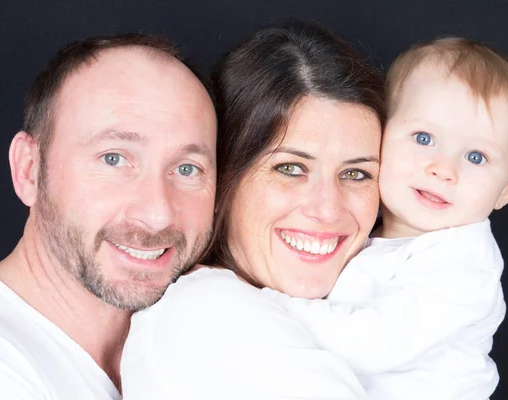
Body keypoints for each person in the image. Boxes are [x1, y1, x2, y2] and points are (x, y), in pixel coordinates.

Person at [262, 37, 508, 399]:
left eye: (476, 157)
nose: (442, 169)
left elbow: (370, 345)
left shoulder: (463, 267)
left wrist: (266, 303)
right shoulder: (364, 231)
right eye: (423, 138)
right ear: (378, 135)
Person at [121, 21, 385, 399]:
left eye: (356, 173)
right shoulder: (210, 315)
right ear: (225, 174)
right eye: (290, 168)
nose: (328, 209)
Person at [0, 33, 217, 399]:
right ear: (29, 169)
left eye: (187, 169)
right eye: (113, 159)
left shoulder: (190, 344)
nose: (158, 213)